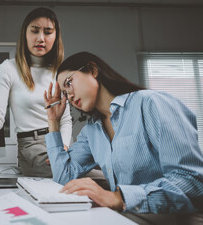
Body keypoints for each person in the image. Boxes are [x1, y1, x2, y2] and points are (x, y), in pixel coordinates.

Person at [44, 51, 203, 215]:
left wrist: (119, 198)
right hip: (128, 218)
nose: (69, 96)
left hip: (176, 218)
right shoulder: (91, 132)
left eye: (69, 83)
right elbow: (63, 178)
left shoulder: (151, 103)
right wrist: (53, 121)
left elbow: (193, 180)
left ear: (92, 70)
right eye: (64, 93)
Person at [0, 7, 72, 177]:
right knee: (83, 173)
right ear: (25, 33)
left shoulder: (59, 72)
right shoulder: (8, 68)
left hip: (61, 142)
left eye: (48, 32)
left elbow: (66, 120)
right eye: (35, 31)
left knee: (93, 167)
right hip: (32, 149)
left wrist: (64, 148)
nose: (41, 38)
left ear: (56, 36)